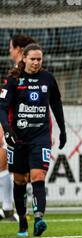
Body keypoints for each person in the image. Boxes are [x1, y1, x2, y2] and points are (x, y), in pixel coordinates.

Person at [0, 43, 67, 237]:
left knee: (38, 177)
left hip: (41, 136)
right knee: (20, 181)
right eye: (33, 59)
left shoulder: (48, 78)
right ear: (24, 59)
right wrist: (7, 130)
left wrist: (62, 130)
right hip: (18, 138)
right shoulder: (13, 79)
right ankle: (22, 220)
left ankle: (39, 218)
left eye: (39, 59)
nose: (36, 62)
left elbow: (56, 104)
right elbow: (2, 108)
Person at [0, 34, 36, 222]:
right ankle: (8, 208)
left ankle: (24, 209)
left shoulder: (30, 73)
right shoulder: (14, 73)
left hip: (26, 129)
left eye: (11, 48)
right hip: (13, 127)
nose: (9, 51)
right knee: (6, 164)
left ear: (20, 50)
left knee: (26, 171)